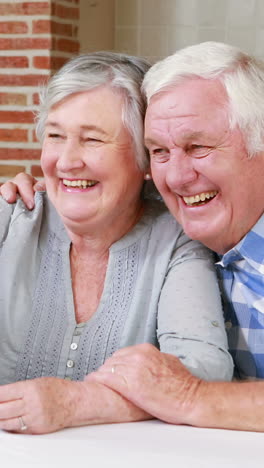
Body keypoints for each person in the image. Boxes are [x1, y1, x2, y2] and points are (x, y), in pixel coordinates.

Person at [0, 51, 233, 435]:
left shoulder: (174, 239)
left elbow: (203, 369)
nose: (67, 161)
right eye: (56, 136)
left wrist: (77, 403)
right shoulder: (12, 215)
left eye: (92, 139)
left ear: (145, 160)